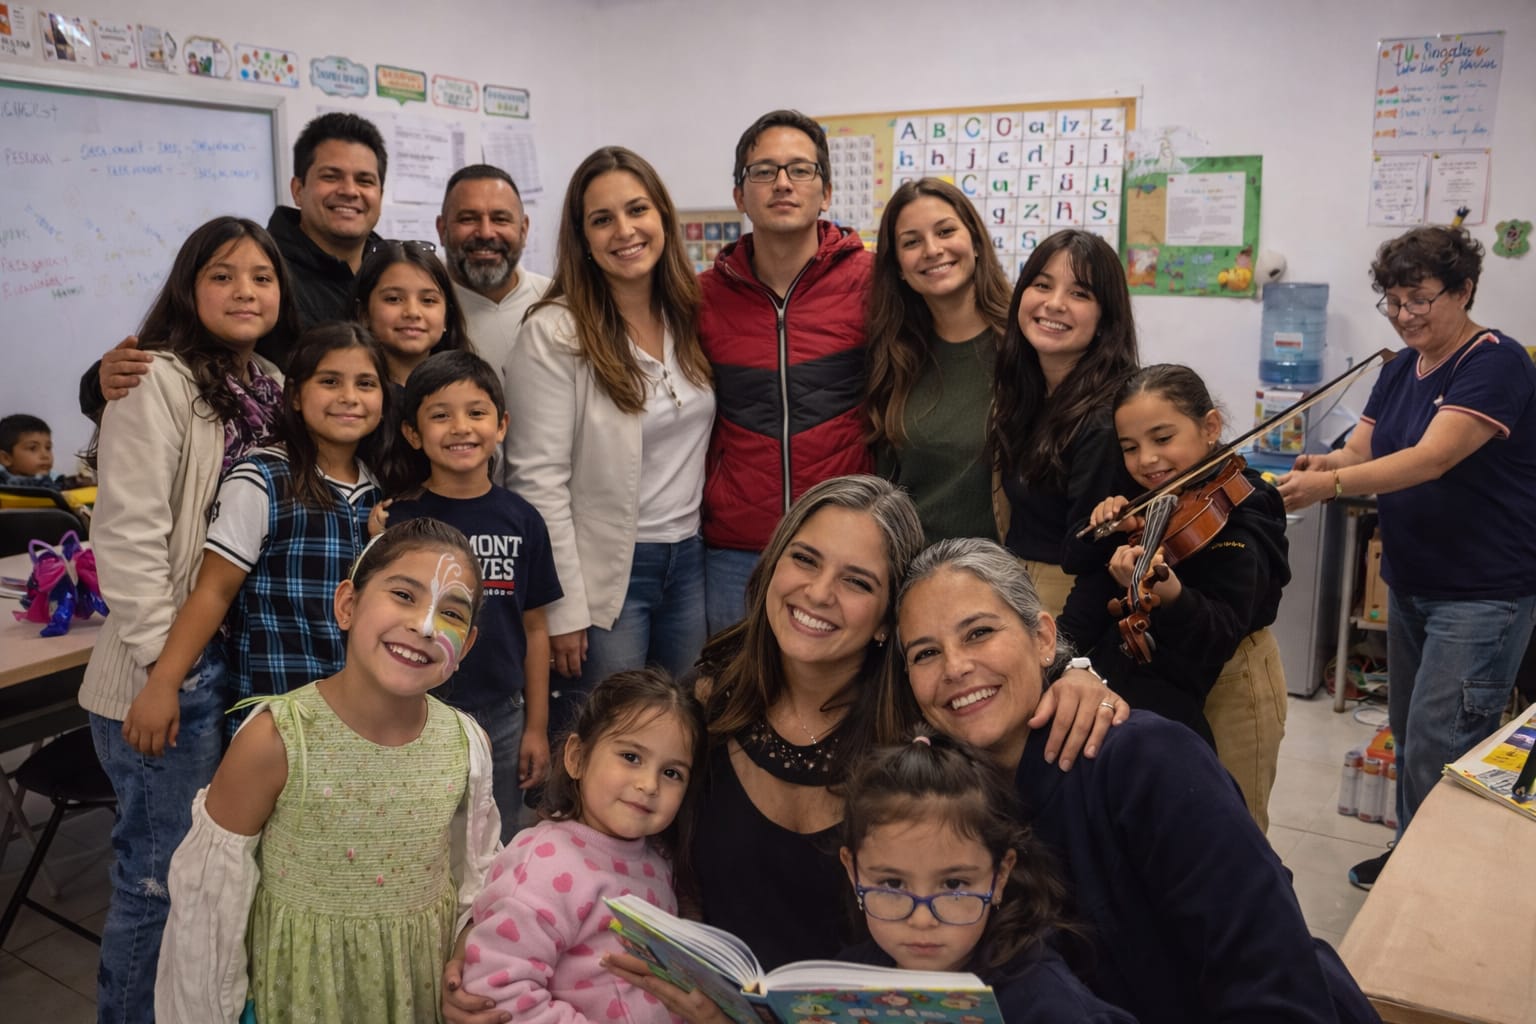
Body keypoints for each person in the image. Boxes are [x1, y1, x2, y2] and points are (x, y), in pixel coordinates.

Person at [891, 538, 1379, 1023]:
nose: (955, 667)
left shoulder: (1149, 762)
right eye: (925, 653)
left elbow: (1274, 981)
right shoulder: (945, 800)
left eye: (978, 633)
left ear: (1042, 638)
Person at [80, 215, 298, 1023]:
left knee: (213, 878)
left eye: (262, 277)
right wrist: (159, 665)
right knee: (157, 883)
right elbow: (128, 532)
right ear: (188, 286)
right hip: (167, 671)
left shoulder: (272, 382)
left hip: (238, 658)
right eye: (222, 275)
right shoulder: (154, 379)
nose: (245, 290)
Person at [154, 517, 501, 1024]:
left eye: (450, 612)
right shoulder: (275, 741)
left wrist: (465, 949)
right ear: (348, 605)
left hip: (417, 991)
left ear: (465, 647)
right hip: (302, 997)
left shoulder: (467, 745)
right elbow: (207, 912)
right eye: (404, 595)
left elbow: (477, 873)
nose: (425, 625)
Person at [1277, 225, 1536, 888]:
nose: (1405, 315)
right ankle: (1415, 860)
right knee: (1409, 731)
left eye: (1420, 299)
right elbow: (1364, 449)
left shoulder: (1494, 361)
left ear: (1464, 289)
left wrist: (1330, 485)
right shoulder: (1398, 369)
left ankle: (1437, 884)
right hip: (1414, 582)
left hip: (1482, 592)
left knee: (1440, 741)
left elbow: (1432, 457)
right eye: (1393, 302)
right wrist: (1323, 462)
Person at [505, 146, 712, 733]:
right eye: (602, 219)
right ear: (584, 239)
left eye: (637, 210)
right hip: (606, 578)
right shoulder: (555, 333)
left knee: (680, 728)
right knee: (608, 738)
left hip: (689, 558)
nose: (625, 231)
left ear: (663, 218)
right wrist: (563, 606)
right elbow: (537, 482)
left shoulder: (688, 315)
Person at [123, 323, 388, 752]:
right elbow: (213, 591)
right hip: (277, 718)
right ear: (296, 396)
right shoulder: (261, 478)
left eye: (366, 384)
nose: (349, 397)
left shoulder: (377, 489)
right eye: (329, 381)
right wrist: (163, 685)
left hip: (359, 717)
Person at [1061, 364, 1290, 830]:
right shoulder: (1141, 502)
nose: (1147, 460)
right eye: (1130, 447)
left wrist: (1172, 593)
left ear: (1209, 428)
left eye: (1163, 439)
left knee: (1232, 829)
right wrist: (1103, 531)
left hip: (1233, 681)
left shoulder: (1247, 509)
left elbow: (1221, 630)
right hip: (1164, 688)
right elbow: (1078, 569)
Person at [698, 110, 874, 634]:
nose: (781, 184)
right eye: (763, 171)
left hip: (844, 539)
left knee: (840, 699)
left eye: (800, 170)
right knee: (730, 696)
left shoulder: (871, 280)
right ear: (739, 195)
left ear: (825, 192)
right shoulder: (702, 296)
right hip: (737, 547)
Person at [83, 112, 388, 411]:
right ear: (298, 190)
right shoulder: (259, 270)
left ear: (380, 194)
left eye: (364, 180)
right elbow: (161, 351)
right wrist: (101, 382)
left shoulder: (398, 272)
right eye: (331, 176)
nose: (349, 191)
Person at [383, 351, 563, 843]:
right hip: (415, 709)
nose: (460, 427)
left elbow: (535, 628)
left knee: (491, 839)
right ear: (413, 434)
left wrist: (535, 728)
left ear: (501, 425)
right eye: (440, 415)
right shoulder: (398, 520)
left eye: (476, 413)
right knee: (417, 835)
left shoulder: (523, 519)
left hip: (503, 715)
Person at [833, 732, 1134, 1023]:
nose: (922, 920)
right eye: (893, 884)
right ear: (853, 870)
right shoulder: (841, 983)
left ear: (1000, 875)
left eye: (953, 885)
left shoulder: (1044, 1000)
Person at [461, 668, 706, 1022]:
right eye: (631, 757)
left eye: (672, 773)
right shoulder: (545, 865)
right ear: (576, 757)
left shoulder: (658, 859)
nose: (649, 784)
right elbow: (497, 989)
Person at [991, 229, 1139, 616]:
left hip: (1063, 598)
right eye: (1042, 285)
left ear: (1106, 317)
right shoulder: (1029, 390)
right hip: (1017, 582)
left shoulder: (1105, 419)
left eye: (1080, 294)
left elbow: (1092, 558)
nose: (1054, 304)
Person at [862, 178, 1011, 541]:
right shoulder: (894, 356)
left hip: (1004, 578)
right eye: (911, 242)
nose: (932, 250)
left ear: (975, 242)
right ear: (898, 265)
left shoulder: (1025, 345)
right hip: (914, 573)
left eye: (945, 231)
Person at [350, 239, 475, 492]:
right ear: (364, 314)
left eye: (428, 300)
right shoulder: (353, 399)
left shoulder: (471, 389)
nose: (412, 312)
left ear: (446, 316)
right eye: (394, 299)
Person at [437, 164, 552, 388]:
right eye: (468, 219)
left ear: (524, 229)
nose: (486, 233)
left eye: (500, 219)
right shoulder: (419, 309)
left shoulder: (556, 302)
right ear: (442, 230)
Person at [0, 412, 82, 489]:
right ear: (6, 458)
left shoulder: (57, 482)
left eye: (48, 448)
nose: (45, 455)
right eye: (32, 448)